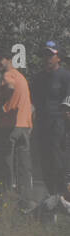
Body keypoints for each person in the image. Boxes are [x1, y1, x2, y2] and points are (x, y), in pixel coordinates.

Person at [29, 40, 70, 208]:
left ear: (58, 57)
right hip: (42, 123)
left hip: (59, 123)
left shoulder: (66, 76)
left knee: (58, 159)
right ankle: (52, 195)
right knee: (44, 160)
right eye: (44, 55)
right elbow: (34, 100)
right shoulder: (38, 78)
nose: (47, 58)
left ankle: (62, 196)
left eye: (50, 55)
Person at [0, 46, 34, 208]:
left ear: (8, 59)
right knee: (24, 167)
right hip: (24, 127)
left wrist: (2, 104)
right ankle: (26, 202)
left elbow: (9, 87)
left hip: (8, 128)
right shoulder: (21, 77)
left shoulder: (7, 75)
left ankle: (6, 203)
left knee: (5, 166)